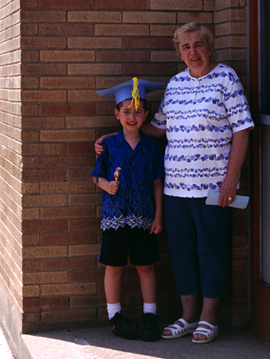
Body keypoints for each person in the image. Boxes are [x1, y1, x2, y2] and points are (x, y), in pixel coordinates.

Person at [95, 22, 254, 344]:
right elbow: (158, 128)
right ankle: (187, 315)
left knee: (211, 250)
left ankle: (209, 318)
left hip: (212, 186)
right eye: (185, 46)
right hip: (174, 187)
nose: (192, 52)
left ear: (210, 47)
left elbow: (242, 129)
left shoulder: (226, 78)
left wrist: (230, 180)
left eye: (198, 44)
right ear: (179, 51)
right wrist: (117, 137)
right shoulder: (176, 84)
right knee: (181, 252)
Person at [92, 77, 167, 341]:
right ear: (117, 114)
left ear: (146, 115)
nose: (132, 117)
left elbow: (158, 183)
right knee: (114, 266)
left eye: (137, 111)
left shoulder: (151, 148)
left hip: (144, 217)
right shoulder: (109, 145)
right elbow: (96, 176)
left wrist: (158, 215)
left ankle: (150, 316)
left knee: (145, 265)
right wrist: (106, 186)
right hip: (115, 216)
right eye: (126, 111)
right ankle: (115, 317)